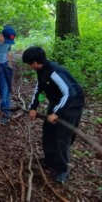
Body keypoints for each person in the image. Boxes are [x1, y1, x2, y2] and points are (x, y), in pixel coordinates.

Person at [22, 46, 84, 184]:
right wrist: (33, 107)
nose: (30, 67)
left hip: (72, 105)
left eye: (30, 64)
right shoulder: (41, 71)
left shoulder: (54, 72)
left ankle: (62, 169)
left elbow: (70, 93)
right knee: (48, 131)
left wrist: (57, 113)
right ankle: (49, 160)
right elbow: (39, 87)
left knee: (62, 137)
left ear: (36, 62)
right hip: (57, 102)